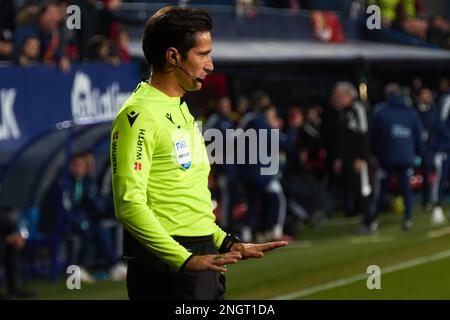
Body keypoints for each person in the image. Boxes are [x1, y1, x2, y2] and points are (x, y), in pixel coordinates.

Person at [110, 6, 288, 300]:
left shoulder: (180, 107)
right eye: (203, 54)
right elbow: (128, 204)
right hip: (167, 268)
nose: (211, 65)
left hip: (201, 257)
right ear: (173, 56)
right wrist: (184, 260)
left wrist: (226, 242)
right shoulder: (139, 115)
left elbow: (188, 201)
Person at [371, 83, 424, 230]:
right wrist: (418, 154)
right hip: (406, 156)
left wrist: (376, 154)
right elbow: (418, 136)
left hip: (387, 157)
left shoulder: (382, 111)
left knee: (381, 189)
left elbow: (374, 136)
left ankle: (373, 220)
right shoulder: (410, 112)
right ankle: (408, 218)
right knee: (406, 188)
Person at [331, 82, 374, 233]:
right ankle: (366, 219)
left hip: (358, 158)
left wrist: (361, 157)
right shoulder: (344, 112)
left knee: (363, 189)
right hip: (348, 158)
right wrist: (340, 158)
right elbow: (343, 139)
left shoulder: (357, 108)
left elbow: (363, 133)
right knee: (356, 190)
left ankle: (371, 221)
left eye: (339, 96)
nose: (336, 99)